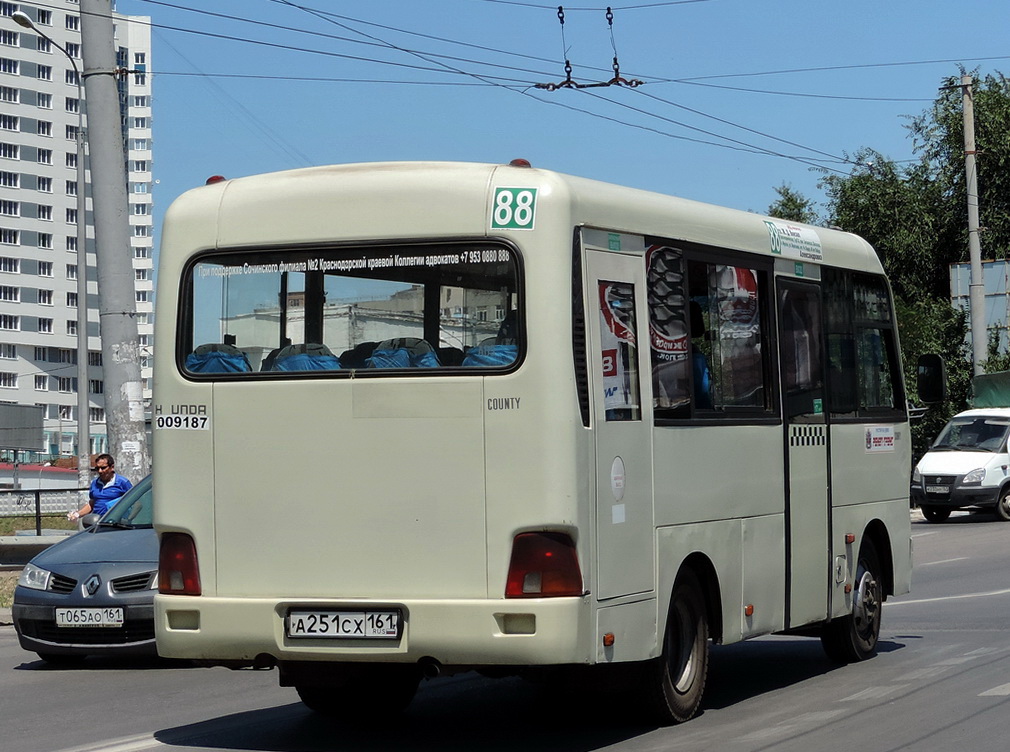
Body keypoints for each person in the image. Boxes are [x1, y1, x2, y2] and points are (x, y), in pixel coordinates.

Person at [67, 454, 133, 521]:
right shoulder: (95, 483)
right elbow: (92, 503)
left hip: (116, 524)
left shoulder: (123, 483)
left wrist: (129, 519)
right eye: (97, 468)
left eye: (103, 468)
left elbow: (137, 503)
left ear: (112, 467)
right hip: (98, 522)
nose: (100, 471)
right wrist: (77, 514)